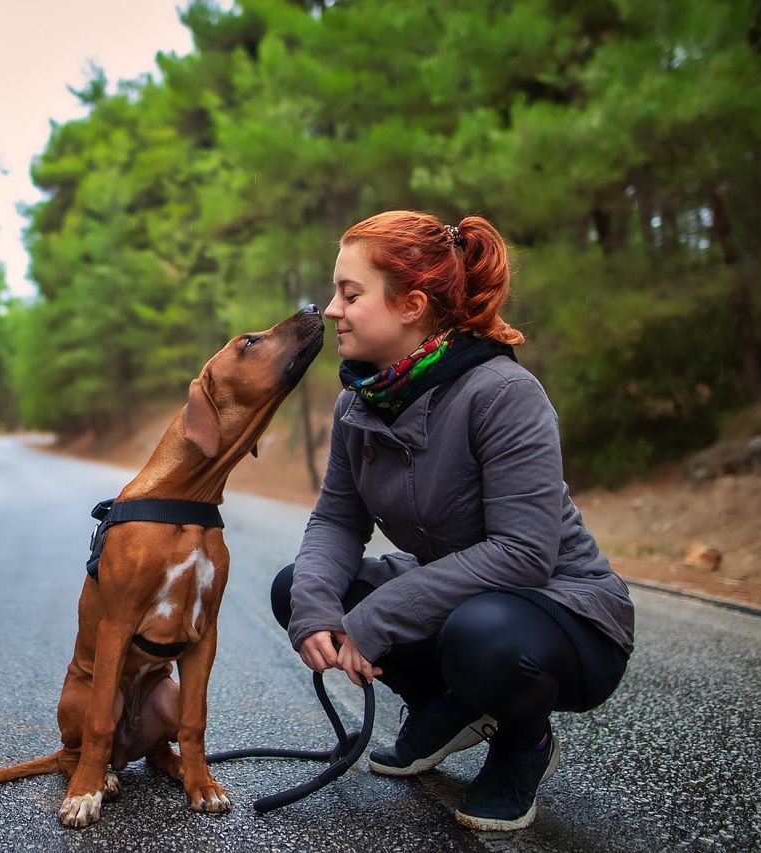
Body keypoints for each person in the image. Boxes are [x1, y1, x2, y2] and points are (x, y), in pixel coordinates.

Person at [270, 210, 634, 832]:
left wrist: (377, 617)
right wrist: (315, 609)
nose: (331, 309)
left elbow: (524, 554)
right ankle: (446, 705)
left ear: (411, 304)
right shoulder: (360, 399)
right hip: (462, 599)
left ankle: (525, 745)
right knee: (297, 585)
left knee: (480, 634)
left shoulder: (502, 393)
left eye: (350, 294)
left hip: (563, 613)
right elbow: (336, 519)